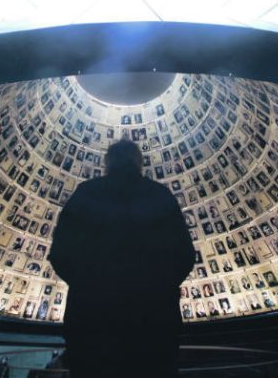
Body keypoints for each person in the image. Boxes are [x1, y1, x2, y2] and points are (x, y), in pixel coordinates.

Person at [48, 140, 195, 378]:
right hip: (153, 323)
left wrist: (86, 286)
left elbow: (60, 253)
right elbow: (184, 256)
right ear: (140, 162)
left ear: (107, 162)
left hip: (91, 322)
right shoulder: (159, 195)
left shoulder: (86, 193)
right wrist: (159, 289)